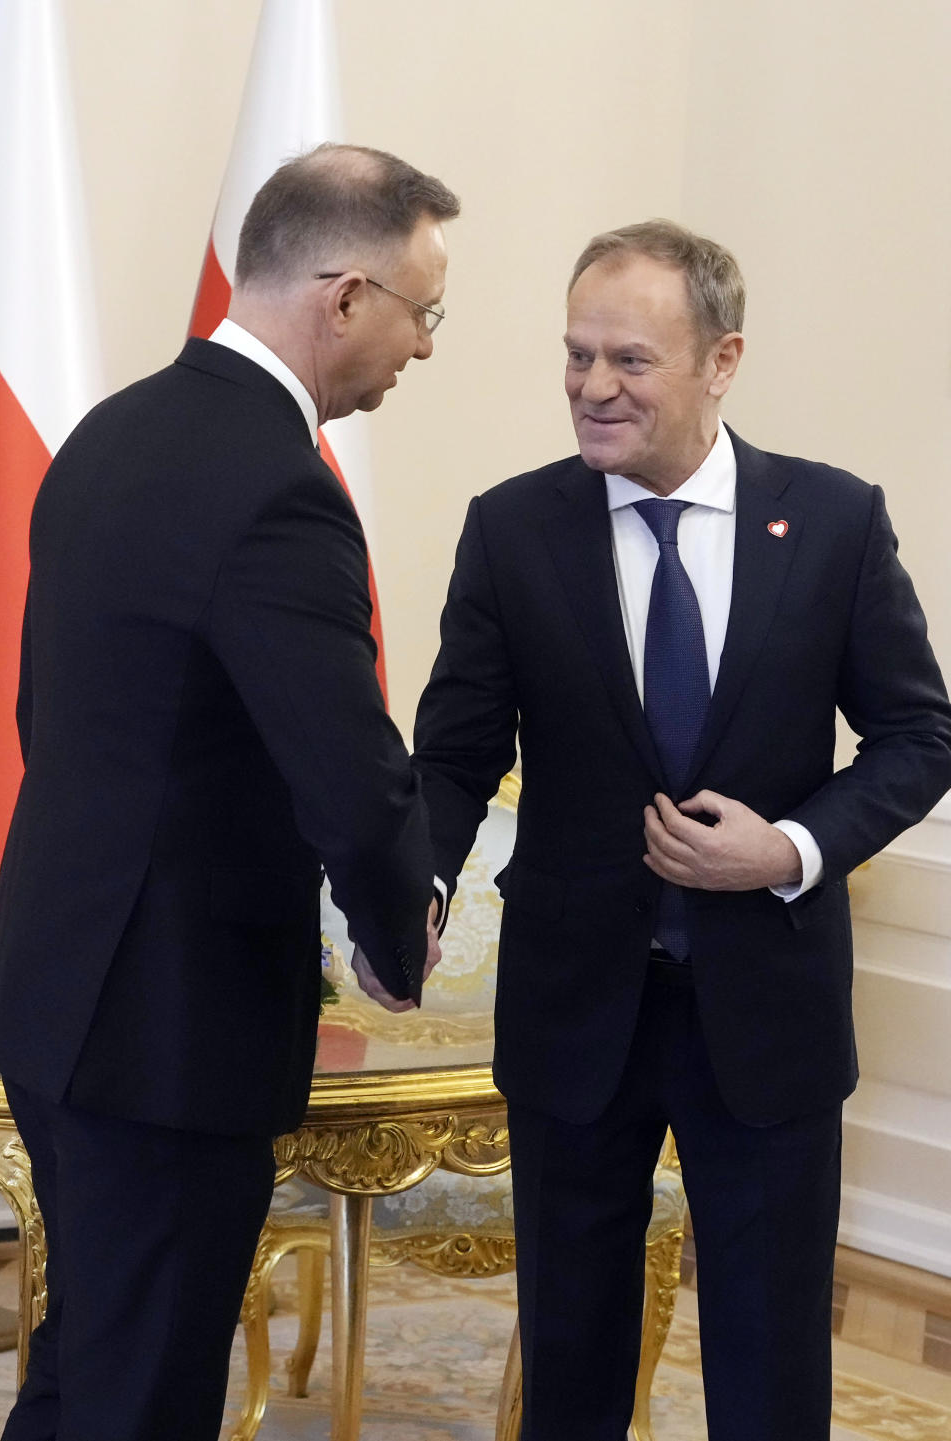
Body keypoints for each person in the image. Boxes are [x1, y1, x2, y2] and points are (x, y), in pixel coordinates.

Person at [408, 221, 951, 1440]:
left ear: (723, 360)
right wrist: (418, 882)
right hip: (576, 1011)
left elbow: (921, 737)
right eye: (576, 354)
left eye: (630, 361)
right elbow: (454, 755)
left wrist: (793, 848)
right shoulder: (513, 529)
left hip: (766, 1011)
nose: (592, 386)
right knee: (574, 1356)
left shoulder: (833, 523)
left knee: (768, 1367)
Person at [0, 143, 459, 1441]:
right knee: (143, 1395)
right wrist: (396, 922)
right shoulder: (275, 491)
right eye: (424, 310)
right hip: (169, 1024)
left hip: (56, 982)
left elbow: (57, 716)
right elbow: (346, 771)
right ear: (346, 294)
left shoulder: (109, 434)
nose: (424, 346)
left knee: (85, 1367)